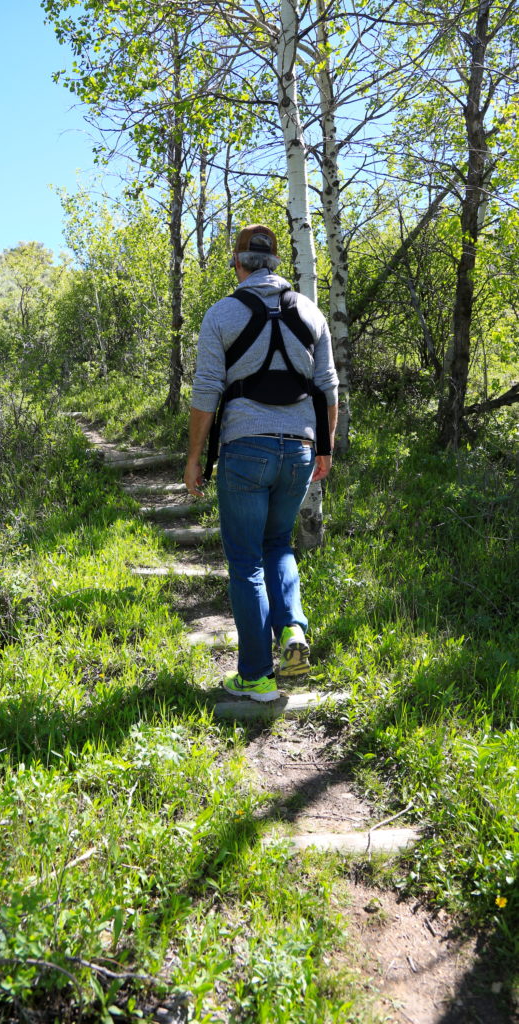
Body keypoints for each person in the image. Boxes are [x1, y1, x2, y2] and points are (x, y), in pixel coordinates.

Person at [184, 224, 339, 702]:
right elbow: (328, 387)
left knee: (246, 560)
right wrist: (326, 448)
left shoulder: (222, 314)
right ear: (274, 263)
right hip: (299, 449)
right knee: (279, 545)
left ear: (238, 263)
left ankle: (255, 676)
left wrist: (194, 459)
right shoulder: (310, 313)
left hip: (244, 449)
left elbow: (207, 390)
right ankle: (291, 629)